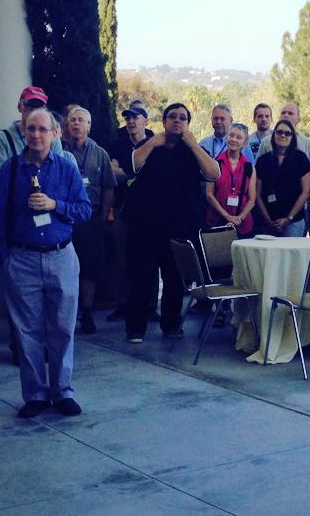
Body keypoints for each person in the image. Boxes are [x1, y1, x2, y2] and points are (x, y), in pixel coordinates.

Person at [0, 108, 91, 416]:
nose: (35, 135)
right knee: (27, 331)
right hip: (22, 259)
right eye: (30, 129)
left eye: (41, 129)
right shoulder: (10, 169)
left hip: (61, 255)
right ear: (24, 131)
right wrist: (5, 258)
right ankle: (35, 394)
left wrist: (55, 205)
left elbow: (85, 210)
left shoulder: (66, 168)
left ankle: (62, 391)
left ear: (54, 133)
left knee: (62, 327)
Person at [125, 103, 219, 342]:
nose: (177, 121)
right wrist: (153, 142)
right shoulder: (151, 145)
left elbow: (213, 173)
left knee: (175, 280)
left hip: (179, 226)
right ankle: (135, 329)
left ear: (188, 124)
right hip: (146, 225)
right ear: (164, 121)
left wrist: (193, 144)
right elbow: (134, 164)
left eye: (182, 118)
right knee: (141, 278)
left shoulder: (193, 151)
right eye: (172, 117)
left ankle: (171, 325)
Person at [64, 107, 116, 334]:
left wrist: (104, 216)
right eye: (72, 120)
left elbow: (108, 187)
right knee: (65, 268)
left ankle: (86, 313)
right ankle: (66, 313)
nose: (76, 124)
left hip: (91, 217)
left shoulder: (100, 153)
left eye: (81, 120)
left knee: (90, 268)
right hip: (64, 217)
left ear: (89, 125)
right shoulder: (59, 150)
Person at [106, 105, 154, 322]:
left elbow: (153, 175)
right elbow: (112, 176)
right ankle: (123, 304)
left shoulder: (155, 143)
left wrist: (125, 171)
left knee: (151, 260)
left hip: (150, 212)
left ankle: (150, 306)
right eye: (127, 118)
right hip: (122, 210)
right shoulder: (116, 145)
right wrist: (133, 173)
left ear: (146, 120)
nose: (131, 122)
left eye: (135, 117)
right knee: (122, 259)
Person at [255, 119, 310, 237]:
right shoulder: (263, 160)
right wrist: (267, 219)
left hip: (293, 222)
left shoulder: (301, 159)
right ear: (273, 134)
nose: (283, 135)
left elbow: (306, 192)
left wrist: (288, 218)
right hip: (267, 223)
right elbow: (257, 193)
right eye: (279, 132)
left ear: (293, 137)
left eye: (287, 133)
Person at [0, 86, 49, 185]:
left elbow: (58, 175)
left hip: (47, 198)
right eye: (30, 106)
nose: (34, 111)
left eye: (39, 107)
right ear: (20, 107)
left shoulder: (51, 137)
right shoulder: (3, 138)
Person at [205, 122, 256, 236]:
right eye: (231, 135)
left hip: (243, 225)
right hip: (217, 222)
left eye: (239, 137)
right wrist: (226, 216)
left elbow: (252, 199)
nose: (234, 139)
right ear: (226, 138)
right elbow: (209, 195)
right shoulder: (214, 164)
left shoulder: (249, 167)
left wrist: (239, 218)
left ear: (245, 143)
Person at [257, 101, 310, 169]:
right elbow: (257, 169)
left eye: (290, 113)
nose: (286, 115)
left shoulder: (307, 143)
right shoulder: (266, 142)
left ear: (298, 120)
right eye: (283, 113)